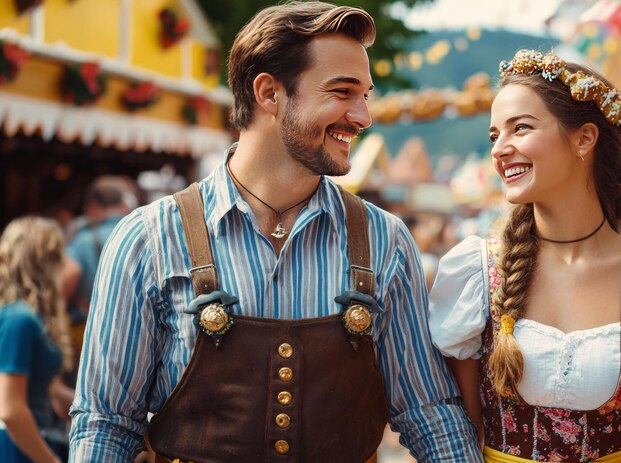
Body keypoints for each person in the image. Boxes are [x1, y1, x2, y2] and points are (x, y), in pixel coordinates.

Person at [69, 3, 481, 463]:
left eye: (365, 95)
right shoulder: (147, 239)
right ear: (269, 92)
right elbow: (105, 425)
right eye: (343, 92)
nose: (363, 116)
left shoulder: (386, 241)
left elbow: (429, 413)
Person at [428, 49, 621, 462]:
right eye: (495, 135)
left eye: (521, 128)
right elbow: (458, 444)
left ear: (584, 138)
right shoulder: (477, 274)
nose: (499, 149)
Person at [0, 217, 73, 463]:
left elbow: (49, 389)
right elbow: (10, 409)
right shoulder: (19, 318)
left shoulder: (26, 315)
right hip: (20, 447)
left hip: (33, 442)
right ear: (46, 262)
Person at [61, 175, 137, 376]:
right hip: (136, 337)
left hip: (91, 334)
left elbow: (70, 272)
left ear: (92, 205)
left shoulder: (83, 239)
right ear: (122, 202)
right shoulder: (141, 232)